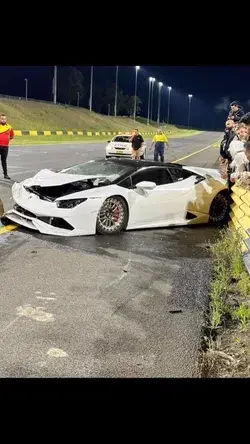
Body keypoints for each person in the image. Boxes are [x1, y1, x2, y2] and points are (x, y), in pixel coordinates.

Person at [0, 113, 14, 179]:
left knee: (4, 160)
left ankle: (5, 174)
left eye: (5, 119)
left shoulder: (9, 127)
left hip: (5, 146)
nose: (3, 120)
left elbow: (12, 136)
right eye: (2, 119)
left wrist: (6, 141)